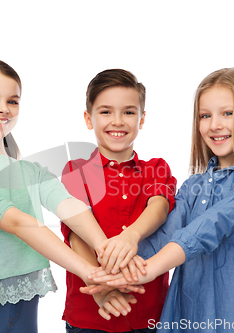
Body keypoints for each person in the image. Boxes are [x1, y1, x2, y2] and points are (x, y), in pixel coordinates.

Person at [88, 67, 234, 333]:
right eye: (205, 116)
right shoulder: (192, 186)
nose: (215, 125)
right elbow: (164, 236)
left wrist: (148, 270)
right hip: (188, 307)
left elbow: (211, 225)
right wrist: (115, 269)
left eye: (227, 113)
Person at [0, 58, 129, 333]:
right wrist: (90, 273)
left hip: (25, 300)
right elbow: (18, 223)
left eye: (13, 101)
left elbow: (69, 206)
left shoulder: (30, 171)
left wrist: (106, 252)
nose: (3, 109)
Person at [60, 69, 177, 332]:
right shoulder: (75, 170)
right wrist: (99, 289)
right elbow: (76, 234)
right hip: (89, 314)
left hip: (149, 313)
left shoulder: (156, 168)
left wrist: (130, 236)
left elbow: (159, 206)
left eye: (128, 112)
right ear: (88, 119)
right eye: (105, 112)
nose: (118, 121)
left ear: (142, 118)